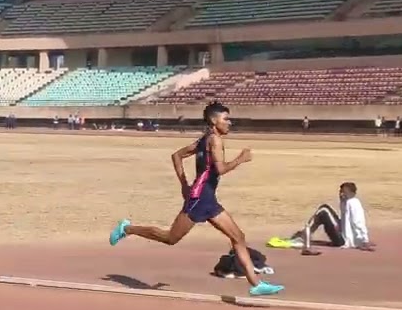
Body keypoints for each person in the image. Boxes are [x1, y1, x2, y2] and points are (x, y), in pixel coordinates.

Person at [109, 101, 284, 297]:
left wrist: (184, 184)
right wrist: (240, 159)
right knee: (170, 238)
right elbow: (219, 169)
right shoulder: (214, 140)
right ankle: (127, 228)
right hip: (200, 199)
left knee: (238, 237)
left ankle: (256, 284)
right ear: (213, 120)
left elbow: (177, 156)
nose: (230, 122)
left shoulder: (205, 139)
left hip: (208, 199)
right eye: (226, 119)